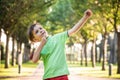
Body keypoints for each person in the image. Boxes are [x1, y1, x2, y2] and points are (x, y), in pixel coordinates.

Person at [27, 9, 92, 80]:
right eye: (37, 32)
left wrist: (85, 18)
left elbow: (73, 30)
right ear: (35, 40)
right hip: (48, 77)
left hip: (62, 76)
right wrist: (42, 44)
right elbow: (34, 60)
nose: (40, 30)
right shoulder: (40, 48)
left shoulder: (58, 37)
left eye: (40, 28)